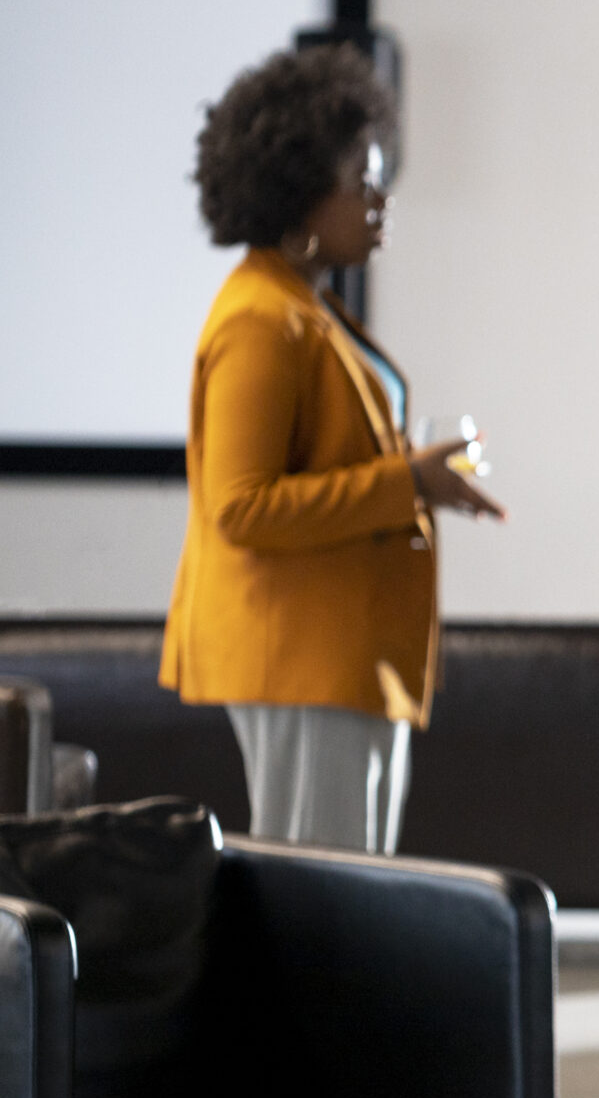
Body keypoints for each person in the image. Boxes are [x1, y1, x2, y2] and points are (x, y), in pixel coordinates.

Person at [161, 44, 504, 852]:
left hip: (342, 657)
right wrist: (405, 481)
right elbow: (241, 506)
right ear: (300, 192)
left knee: (351, 899)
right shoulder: (260, 319)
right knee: (323, 912)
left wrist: (421, 481)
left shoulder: (305, 307)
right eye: (364, 180)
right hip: (300, 658)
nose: (383, 199)